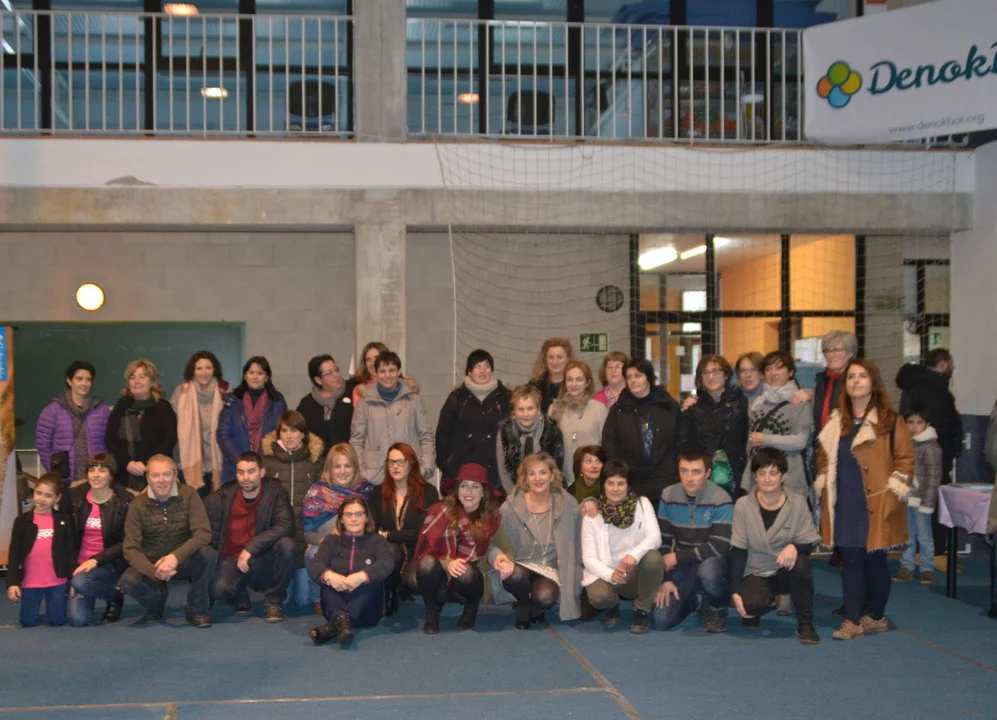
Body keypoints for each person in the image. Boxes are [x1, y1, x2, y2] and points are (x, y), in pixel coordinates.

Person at [815, 358, 914, 640]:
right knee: (851, 559)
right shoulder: (836, 421)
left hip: (877, 502)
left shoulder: (890, 421)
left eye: (862, 376)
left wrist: (894, 490)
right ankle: (853, 619)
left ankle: (877, 616)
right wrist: (824, 477)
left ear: (874, 382)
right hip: (844, 500)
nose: (856, 381)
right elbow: (823, 456)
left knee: (875, 560)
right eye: (851, 377)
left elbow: (906, 460)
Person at [730, 447, 821, 645]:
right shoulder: (743, 505)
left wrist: (795, 547)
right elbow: (738, 550)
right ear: (755, 477)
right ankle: (762, 600)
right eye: (761, 473)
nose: (767, 478)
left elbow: (808, 541)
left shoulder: (798, 502)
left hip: (785, 570)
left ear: (783, 476)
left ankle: (806, 624)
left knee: (802, 565)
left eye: (773, 473)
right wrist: (736, 591)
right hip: (756, 570)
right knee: (752, 605)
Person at [119, 455, 217, 627]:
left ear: (175, 475)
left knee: (208, 554)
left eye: (166, 474)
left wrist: (175, 557)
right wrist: (153, 571)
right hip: (153, 564)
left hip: (183, 559)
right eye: (155, 475)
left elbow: (203, 534)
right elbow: (130, 549)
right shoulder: (137, 505)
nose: (161, 480)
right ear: (148, 478)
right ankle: (155, 604)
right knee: (128, 581)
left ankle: (196, 610)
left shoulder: (189, 495)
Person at [415, 462, 509, 633]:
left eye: (475, 487)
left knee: (465, 572)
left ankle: (471, 606)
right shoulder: (440, 510)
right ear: (457, 489)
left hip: (472, 578)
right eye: (464, 486)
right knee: (426, 563)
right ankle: (432, 612)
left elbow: (501, 547)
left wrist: (500, 557)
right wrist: (447, 562)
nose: (468, 492)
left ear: (483, 492)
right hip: (442, 572)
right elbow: (426, 547)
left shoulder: (492, 518)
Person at [491, 452, 582, 628]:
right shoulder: (510, 507)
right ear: (525, 479)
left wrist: (591, 503)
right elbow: (494, 540)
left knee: (545, 598)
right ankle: (525, 605)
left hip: (549, 568)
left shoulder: (568, 503)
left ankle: (535, 606)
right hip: (520, 565)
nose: (538, 478)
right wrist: (498, 557)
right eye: (531, 473)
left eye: (543, 472)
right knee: (514, 575)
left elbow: (581, 529)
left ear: (552, 476)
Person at [205, 452, 295, 623]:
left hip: (262, 557)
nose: (245, 477)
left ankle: (274, 601)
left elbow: (286, 526)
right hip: (231, 558)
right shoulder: (222, 496)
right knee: (220, 591)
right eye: (241, 472)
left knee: (287, 545)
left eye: (251, 471)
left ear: (262, 472)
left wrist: (250, 547)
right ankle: (240, 593)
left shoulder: (275, 493)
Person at [652, 449, 732, 633]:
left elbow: (719, 547)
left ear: (708, 473)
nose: (689, 478)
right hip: (684, 566)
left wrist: (677, 557)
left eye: (696, 472)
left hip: (713, 563)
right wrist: (666, 579)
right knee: (661, 620)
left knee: (709, 572)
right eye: (684, 471)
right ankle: (696, 600)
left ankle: (717, 606)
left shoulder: (721, 498)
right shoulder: (668, 495)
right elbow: (663, 542)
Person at [580, 459, 663, 633]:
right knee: (600, 598)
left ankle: (642, 610)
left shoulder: (642, 504)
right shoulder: (592, 514)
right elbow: (588, 559)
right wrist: (611, 574)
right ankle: (612, 604)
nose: (615, 489)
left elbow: (655, 538)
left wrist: (633, 555)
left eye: (620, 483)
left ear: (628, 485)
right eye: (610, 483)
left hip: (632, 571)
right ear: (603, 485)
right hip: (605, 573)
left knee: (654, 558)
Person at [896, 348, 962, 563]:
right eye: (951, 362)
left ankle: (912, 555)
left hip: (909, 453)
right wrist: (952, 449)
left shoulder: (911, 384)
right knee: (932, 505)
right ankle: (934, 555)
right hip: (935, 455)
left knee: (911, 508)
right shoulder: (938, 388)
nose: (952, 367)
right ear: (943, 364)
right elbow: (947, 424)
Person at [308, 496, 394, 647]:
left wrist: (361, 577)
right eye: (348, 514)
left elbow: (386, 563)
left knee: (372, 582)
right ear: (341, 519)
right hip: (337, 595)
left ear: (366, 518)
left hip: (366, 604)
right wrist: (330, 576)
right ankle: (341, 623)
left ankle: (334, 626)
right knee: (327, 584)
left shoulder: (377, 541)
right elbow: (316, 564)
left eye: (359, 514)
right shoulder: (330, 541)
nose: (354, 519)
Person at [301, 443, 375, 612]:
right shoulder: (317, 492)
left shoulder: (367, 491)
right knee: (312, 554)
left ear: (355, 467)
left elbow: (372, 527)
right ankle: (318, 598)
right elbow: (307, 533)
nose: (342, 471)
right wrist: (326, 541)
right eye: (337, 466)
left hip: (358, 546)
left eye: (347, 466)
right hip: (326, 547)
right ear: (329, 468)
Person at [369, 443, 440, 616]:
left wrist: (388, 534)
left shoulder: (428, 492)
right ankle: (389, 594)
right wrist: (386, 537)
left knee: (414, 583)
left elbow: (422, 533)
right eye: (391, 462)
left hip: (417, 549)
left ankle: (401, 583)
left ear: (411, 463)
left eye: (401, 461)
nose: (395, 466)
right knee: (391, 551)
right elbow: (371, 527)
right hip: (390, 549)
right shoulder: (378, 492)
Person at [601, 358, 681, 502]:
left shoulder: (668, 406)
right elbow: (609, 445)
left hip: (666, 480)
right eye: (629, 377)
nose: (633, 380)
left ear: (648, 377)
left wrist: (675, 469)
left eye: (637, 375)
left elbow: (680, 440)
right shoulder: (618, 410)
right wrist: (619, 474)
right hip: (632, 481)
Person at [350, 351, 435, 486]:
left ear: (399, 371)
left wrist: (426, 467)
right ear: (376, 373)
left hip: (410, 474)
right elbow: (356, 440)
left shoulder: (414, 401)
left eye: (392, 370)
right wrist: (361, 472)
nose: (387, 375)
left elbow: (426, 436)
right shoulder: (364, 403)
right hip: (375, 477)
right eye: (382, 371)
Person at [66, 454, 131, 627]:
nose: (95, 475)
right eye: (91, 470)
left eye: (102, 470)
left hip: (108, 563)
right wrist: (72, 575)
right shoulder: (74, 500)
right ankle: (103, 590)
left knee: (81, 583)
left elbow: (126, 541)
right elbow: (66, 540)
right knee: (77, 620)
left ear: (111, 475)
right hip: (79, 566)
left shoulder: (124, 503)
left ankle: (113, 594)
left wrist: (96, 560)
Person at [435, 349, 512, 494]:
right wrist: (447, 464)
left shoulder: (505, 397)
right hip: (462, 473)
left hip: (497, 476)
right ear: (469, 372)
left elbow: (513, 433)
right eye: (477, 366)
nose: (483, 371)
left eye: (487, 366)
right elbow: (443, 434)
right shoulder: (457, 398)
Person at [6, 473, 75, 627]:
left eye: (48, 496)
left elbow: (70, 551)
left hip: (57, 581)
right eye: (39, 493)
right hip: (31, 581)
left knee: (57, 621)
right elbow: (14, 553)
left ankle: (56, 611)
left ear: (57, 498)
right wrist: (12, 582)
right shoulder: (22, 521)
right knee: (27, 622)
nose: (42, 499)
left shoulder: (63, 519)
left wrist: (72, 581)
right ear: (34, 492)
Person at [742, 351, 813, 498]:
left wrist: (764, 439)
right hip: (757, 477)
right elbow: (750, 441)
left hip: (789, 478)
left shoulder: (800, 402)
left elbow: (800, 441)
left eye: (779, 368)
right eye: (768, 369)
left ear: (790, 372)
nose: (773, 373)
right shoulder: (757, 403)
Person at [678, 355, 748, 495]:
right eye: (705, 372)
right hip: (702, 478)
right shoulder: (692, 410)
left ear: (726, 374)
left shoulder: (741, 403)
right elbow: (684, 445)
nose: (711, 376)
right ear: (700, 378)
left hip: (737, 477)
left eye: (716, 371)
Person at [105, 359, 178, 492]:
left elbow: (170, 439)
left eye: (142, 376)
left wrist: (147, 464)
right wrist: (127, 463)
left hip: (157, 476)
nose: (137, 381)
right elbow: (110, 440)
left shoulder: (163, 407)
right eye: (132, 377)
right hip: (123, 475)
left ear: (152, 381)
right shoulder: (121, 406)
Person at [35, 360, 111, 485]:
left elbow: (109, 442)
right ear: (69, 381)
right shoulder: (52, 410)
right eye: (79, 379)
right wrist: (55, 471)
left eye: (88, 379)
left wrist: (104, 469)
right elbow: (43, 445)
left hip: (96, 477)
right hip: (65, 479)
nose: (84, 383)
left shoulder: (101, 409)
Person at [217, 356, 288, 486]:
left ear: (267, 377)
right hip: (235, 468)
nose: (255, 377)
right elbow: (223, 434)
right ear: (245, 375)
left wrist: (261, 463)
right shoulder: (232, 400)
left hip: (267, 467)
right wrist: (241, 461)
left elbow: (282, 433)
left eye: (260, 373)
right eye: (251, 372)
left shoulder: (277, 401)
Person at [261, 410, 324, 554]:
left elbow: (322, 500)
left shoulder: (315, 461)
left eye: (293, 430)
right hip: (277, 530)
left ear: (302, 434)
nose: (288, 436)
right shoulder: (267, 461)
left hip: (307, 530)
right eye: (284, 431)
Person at [892, 406, 942, 585]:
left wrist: (927, 503)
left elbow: (933, 478)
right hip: (906, 498)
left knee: (924, 536)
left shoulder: (931, 447)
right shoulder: (905, 444)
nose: (914, 426)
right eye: (910, 422)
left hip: (921, 501)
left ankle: (927, 568)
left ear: (927, 424)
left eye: (919, 423)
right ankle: (907, 566)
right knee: (907, 535)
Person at [171, 350, 229, 497]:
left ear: (215, 370)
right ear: (192, 371)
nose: (204, 372)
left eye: (208, 368)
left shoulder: (226, 392)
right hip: (190, 465)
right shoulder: (181, 393)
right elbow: (173, 430)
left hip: (220, 464)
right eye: (199, 368)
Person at [496, 385, 564, 497]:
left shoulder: (553, 431)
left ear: (538, 410)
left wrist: (540, 496)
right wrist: (516, 497)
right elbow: (503, 472)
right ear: (514, 412)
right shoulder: (504, 432)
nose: (526, 414)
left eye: (530, 408)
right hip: (513, 494)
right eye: (521, 409)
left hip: (547, 493)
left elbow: (556, 471)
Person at [550, 361, 609, 484]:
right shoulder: (555, 409)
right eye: (570, 379)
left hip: (593, 479)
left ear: (587, 382)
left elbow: (606, 447)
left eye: (579, 379)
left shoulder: (599, 409)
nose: (574, 384)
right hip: (564, 479)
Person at [296, 354, 353, 453]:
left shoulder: (353, 391)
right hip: (319, 459)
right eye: (329, 373)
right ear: (318, 380)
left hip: (349, 457)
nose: (336, 375)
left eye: (336, 370)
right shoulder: (307, 404)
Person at [812, 331, 857, 433]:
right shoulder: (822, 380)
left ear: (850, 353)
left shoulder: (855, 381)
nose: (831, 355)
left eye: (837, 350)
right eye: (827, 351)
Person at [529, 337, 574, 414]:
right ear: (545, 360)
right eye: (551, 357)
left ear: (568, 359)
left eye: (559, 357)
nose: (555, 362)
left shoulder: (576, 385)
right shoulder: (534, 386)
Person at [347, 341, 389, 407]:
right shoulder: (360, 389)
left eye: (376, 358)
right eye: (368, 360)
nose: (372, 363)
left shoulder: (401, 384)